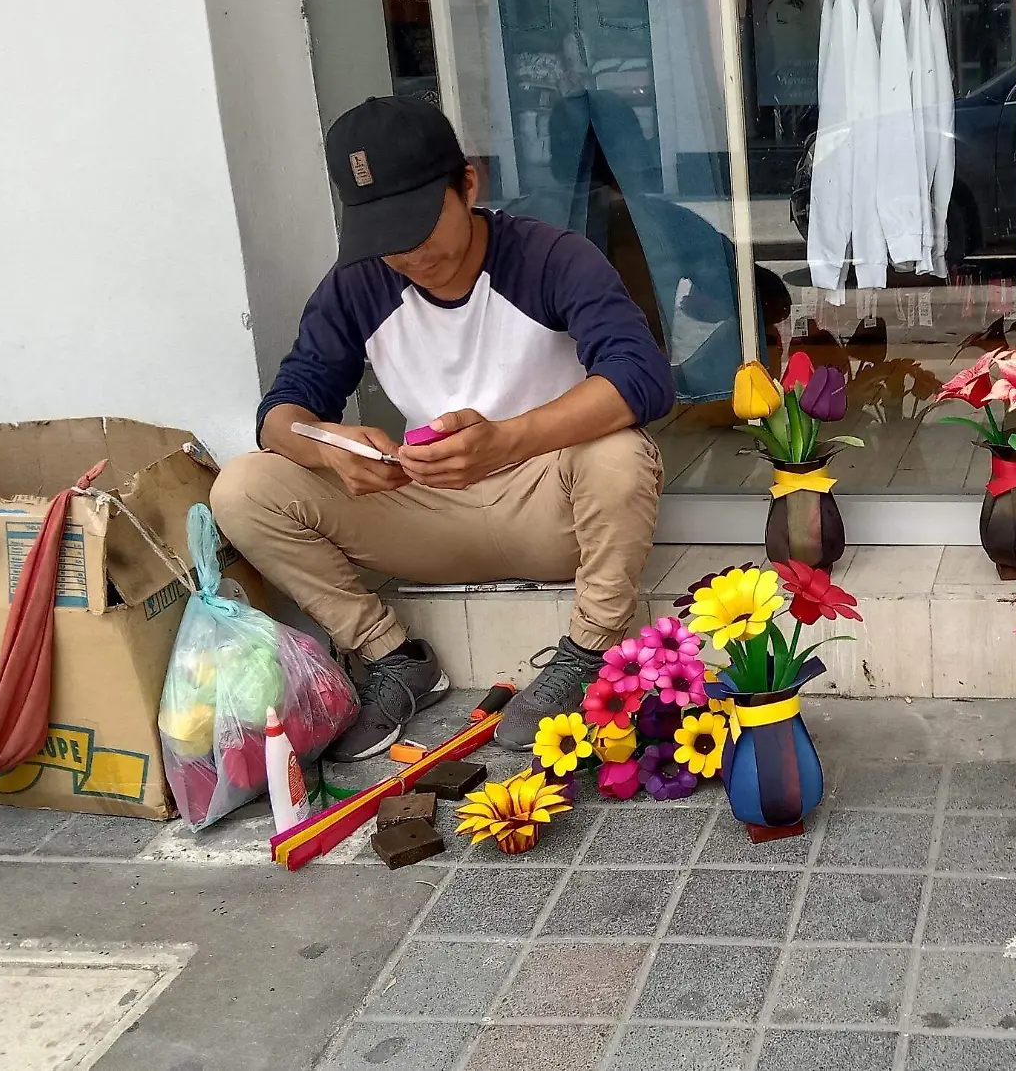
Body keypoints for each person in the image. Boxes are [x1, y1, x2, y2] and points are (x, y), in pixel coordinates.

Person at [211, 96, 674, 762]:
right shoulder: (357, 286)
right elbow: (281, 413)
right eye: (384, 235)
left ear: (468, 185)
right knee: (243, 486)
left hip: (549, 507)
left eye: (417, 223)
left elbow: (643, 376)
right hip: (425, 512)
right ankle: (394, 659)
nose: (405, 251)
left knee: (621, 454)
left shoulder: (550, 258)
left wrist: (507, 440)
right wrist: (332, 452)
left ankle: (588, 656)